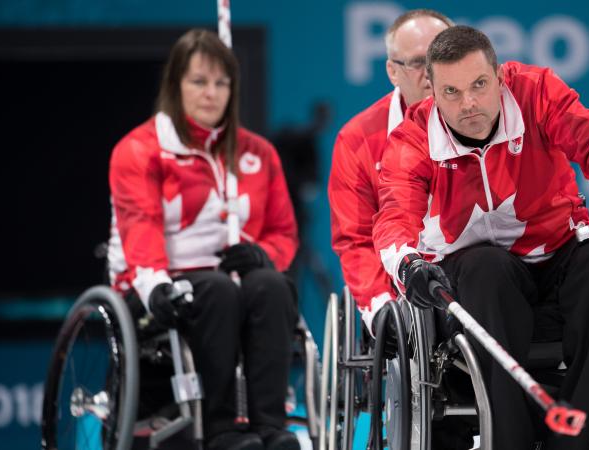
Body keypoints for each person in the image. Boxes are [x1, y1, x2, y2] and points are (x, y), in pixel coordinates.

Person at [373, 25, 589, 450]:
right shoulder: (413, 138)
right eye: (452, 92)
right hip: (477, 284)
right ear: (432, 93)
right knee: (487, 266)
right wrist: (409, 265)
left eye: (479, 85)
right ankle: (509, 440)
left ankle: (575, 440)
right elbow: (394, 214)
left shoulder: (538, 94)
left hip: (556, 255)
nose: (469, 104)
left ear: (499, 76)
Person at [107, 29, 300, 450]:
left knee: (271, 285)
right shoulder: (140, 150)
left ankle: (271, 425)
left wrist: (262, 255)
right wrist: (156, 285)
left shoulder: (258, 153)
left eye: (221, 82)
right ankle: (222, 429)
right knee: (213, 290)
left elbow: (283, 234)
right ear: (175, 85)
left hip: (231, 282)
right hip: (155, 284)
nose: (211, 93)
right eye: (198, 81)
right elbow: (140, 226)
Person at [328, 9, 453, 343]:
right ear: (392, 71)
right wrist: (381, 306)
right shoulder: (358, 139)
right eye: (417, 63)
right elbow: (355, 239)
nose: (431, 73)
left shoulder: (484, 121)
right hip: (403, 287)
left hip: (472, 276)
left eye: (442, 57)